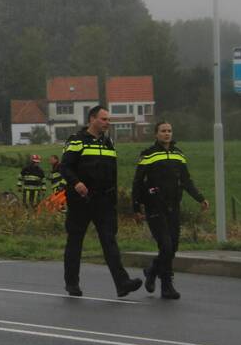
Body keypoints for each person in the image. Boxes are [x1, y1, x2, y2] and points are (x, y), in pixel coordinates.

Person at [60, 105, 143, 298]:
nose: (107, 123)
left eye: (108, 120)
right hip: (81, 200)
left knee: (109, 241)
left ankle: (122, 283)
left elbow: (112, 173)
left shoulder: (108, 143)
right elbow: (65, 167)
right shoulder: (77, 141)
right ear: (92, 119)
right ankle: (72, 283)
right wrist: (76, 183)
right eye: (104, 119)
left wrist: (114, 200)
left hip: (104, 200)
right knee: (75, 242)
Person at [132, 121, 209, 299]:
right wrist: (136, 207)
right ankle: (167, 286)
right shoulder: (148, 154)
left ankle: (152, 271)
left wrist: (200, 198)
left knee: (172, 248)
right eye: (163, 131)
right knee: (165, 246)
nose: (167, 134)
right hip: (154, 206)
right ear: (156, 134)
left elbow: (186, 181)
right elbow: (137, 182)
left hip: (173, 206)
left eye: (169, 131)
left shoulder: (178, 155)